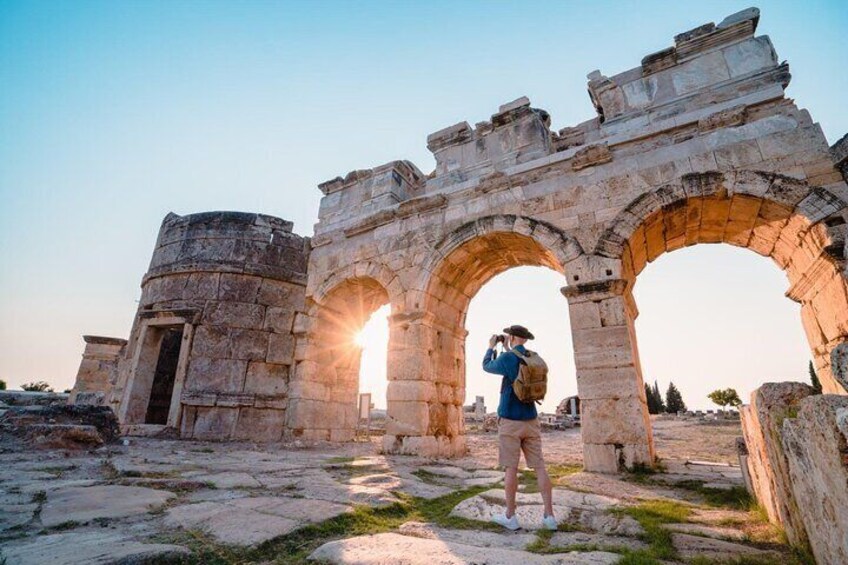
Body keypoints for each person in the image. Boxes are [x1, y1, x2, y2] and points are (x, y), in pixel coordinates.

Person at [483, 324, 556, 531]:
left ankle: (510, 516)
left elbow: (487, 366)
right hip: (531, 420)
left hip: (510, 421)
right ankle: (549, 517)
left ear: (512, 337)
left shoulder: (507, 359)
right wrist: (508, 347)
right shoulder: (532, 357)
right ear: (525, 339)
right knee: (540, 467)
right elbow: (517, 363)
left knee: (511, 468)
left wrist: (491, 347)